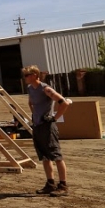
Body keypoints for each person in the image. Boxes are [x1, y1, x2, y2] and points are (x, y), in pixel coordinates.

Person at [23, 65, 72, 196]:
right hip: (38, 125)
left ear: (34, 75)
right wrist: (35, 116)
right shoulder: (30, 88)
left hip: (47, 126)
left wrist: (54, 118)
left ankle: (63, 185)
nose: (25, 78)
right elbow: (30, 103)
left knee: (56, 156)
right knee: (44, 156)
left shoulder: (45, 88)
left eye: (27, 75)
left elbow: (64, 103)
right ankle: (50, 184)